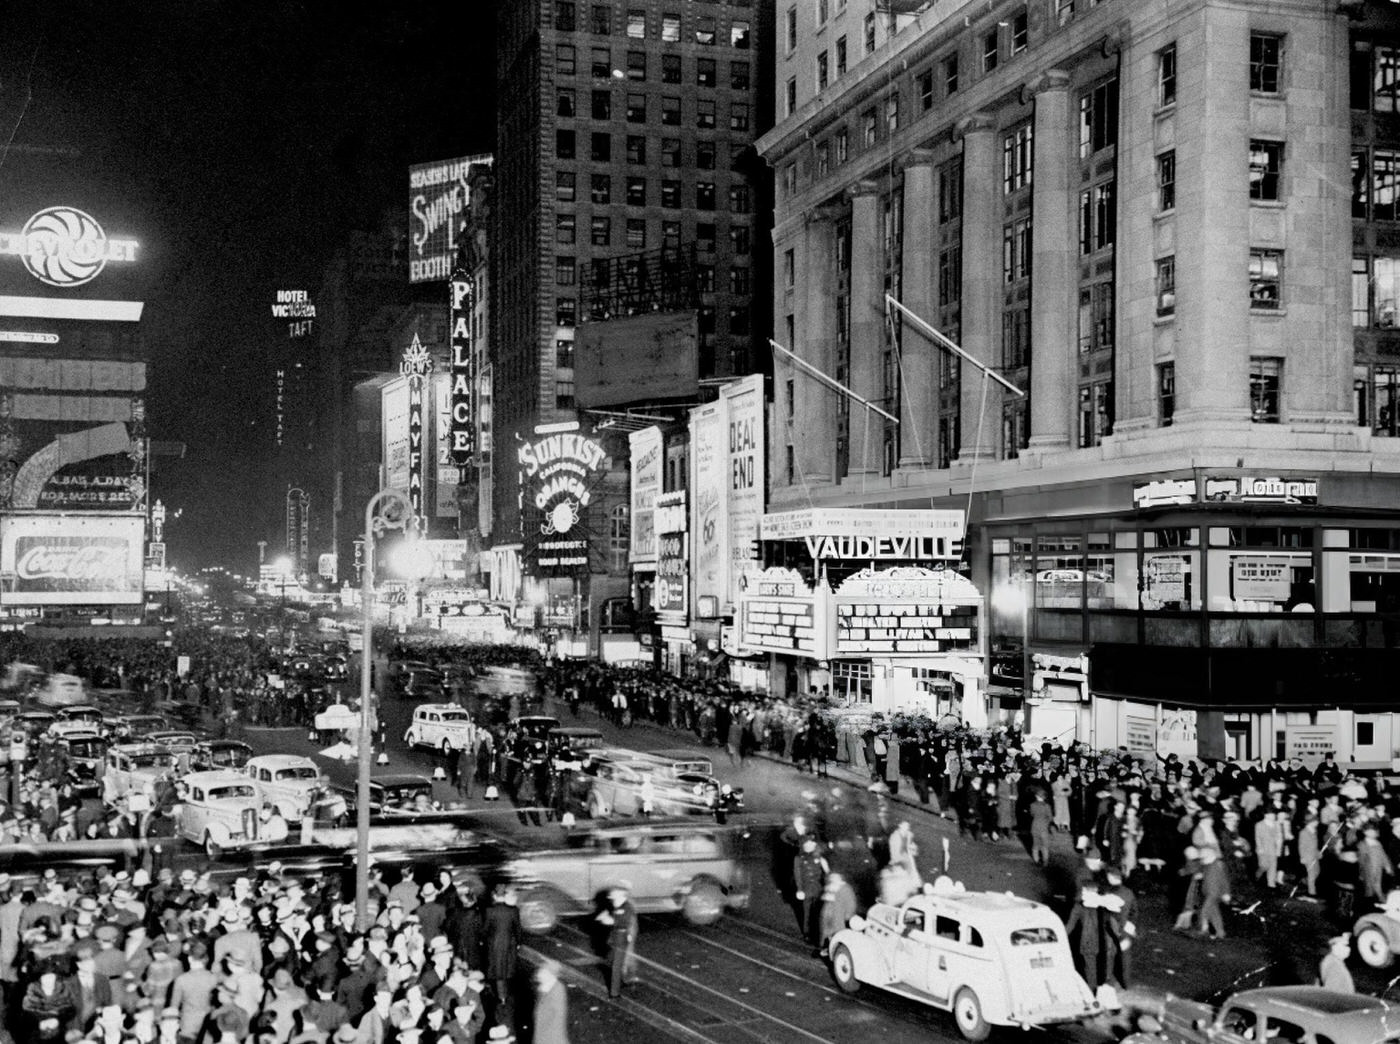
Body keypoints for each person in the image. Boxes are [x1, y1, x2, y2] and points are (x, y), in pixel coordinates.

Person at [595, 887, 637, 998]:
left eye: (614, 896)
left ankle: (614, 993)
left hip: (621, 938)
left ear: (622, 895)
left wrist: (608, 920)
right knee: (612, 960)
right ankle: (620, 981)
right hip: (616, 937)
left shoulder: (626, 907)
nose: (612, 898)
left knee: (616, 966)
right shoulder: (618, 905)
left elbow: (622, 921)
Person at [531, 958, 569, 1044]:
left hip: (550, 1038)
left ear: (551, 975)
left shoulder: (557, 991)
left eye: (543, 972)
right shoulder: (546, 988)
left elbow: (556, 1019)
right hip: (542, 1034)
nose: (539, 974)